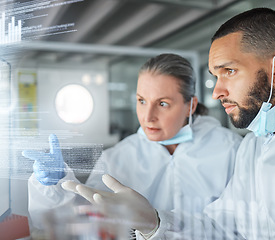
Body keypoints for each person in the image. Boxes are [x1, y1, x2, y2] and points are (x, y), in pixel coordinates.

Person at [62, 7, 275, 239]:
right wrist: (153, 222)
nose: (216, 91)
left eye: (228, 71)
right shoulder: (255, 146)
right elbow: (223, 228)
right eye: (215, 76)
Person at [24, 53, 242, 231]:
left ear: (190, 106)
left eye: (163, 103)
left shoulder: (230, 149)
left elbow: (240, 225)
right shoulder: (117, 157)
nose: (148, 117)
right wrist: (53, 186)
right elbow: (82, 219)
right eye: (141, 101)